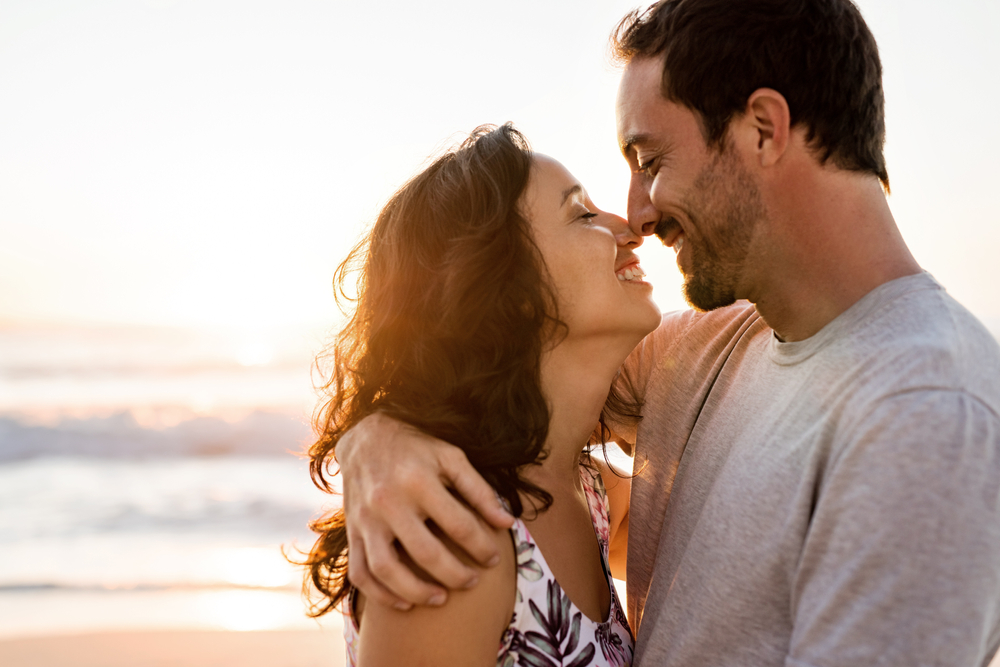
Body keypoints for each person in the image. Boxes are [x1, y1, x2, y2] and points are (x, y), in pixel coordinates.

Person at [333, 1, 1000, 666]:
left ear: (764, 130)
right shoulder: (695, 353)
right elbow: (480, 371)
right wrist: (381, 436)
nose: (636, 215)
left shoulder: (929, 412)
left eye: (650, 162)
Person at [301, 123, 662, 666]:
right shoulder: (451, 536)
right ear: (509, 292)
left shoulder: (584, 492)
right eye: (582, 214)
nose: (630, 228)